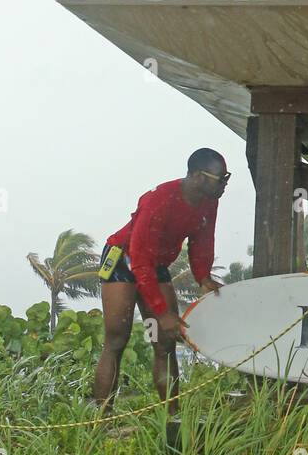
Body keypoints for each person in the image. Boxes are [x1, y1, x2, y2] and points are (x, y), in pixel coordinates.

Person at [94, 148, 229, 418]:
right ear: (195, 176)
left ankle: (172, 417)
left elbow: (203, 239)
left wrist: (202, 275)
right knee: (117, 339)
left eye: (226, 178)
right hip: (124, 257)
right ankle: (103, 417)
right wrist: (161, 310)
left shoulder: (208, 201)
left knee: (165, 341)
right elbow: (140, 261)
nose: (224, 185)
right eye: (219, 178)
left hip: (155, 264)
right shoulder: (160, 201)